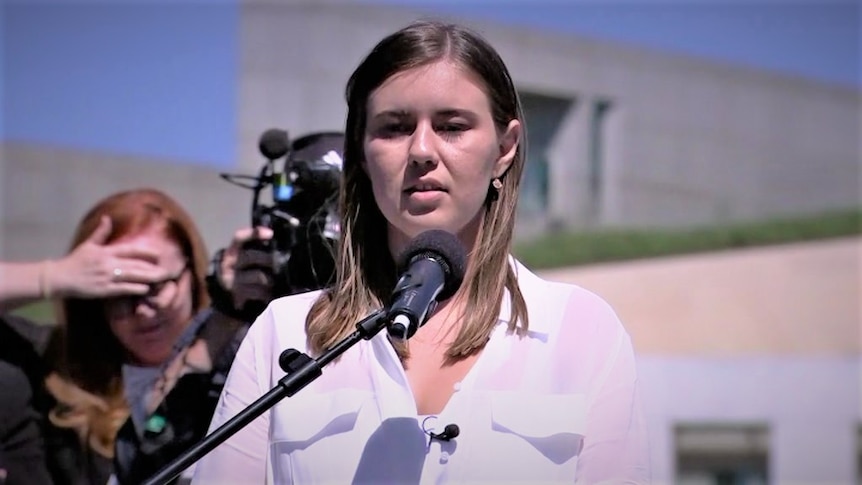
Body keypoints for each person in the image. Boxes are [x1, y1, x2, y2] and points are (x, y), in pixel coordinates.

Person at [193, 20, 649, 484]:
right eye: (394, 128)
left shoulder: (581, 330)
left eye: (452, 126)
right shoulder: (283, 331)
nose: (422, 150)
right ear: (362, 152)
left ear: (505, 148)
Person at [0, 188, 271, 485]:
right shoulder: (58, 368)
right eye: (120, 292)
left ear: (192, 274)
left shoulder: (241, 358)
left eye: (154, 286)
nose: (142, 310)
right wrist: (51, 277)